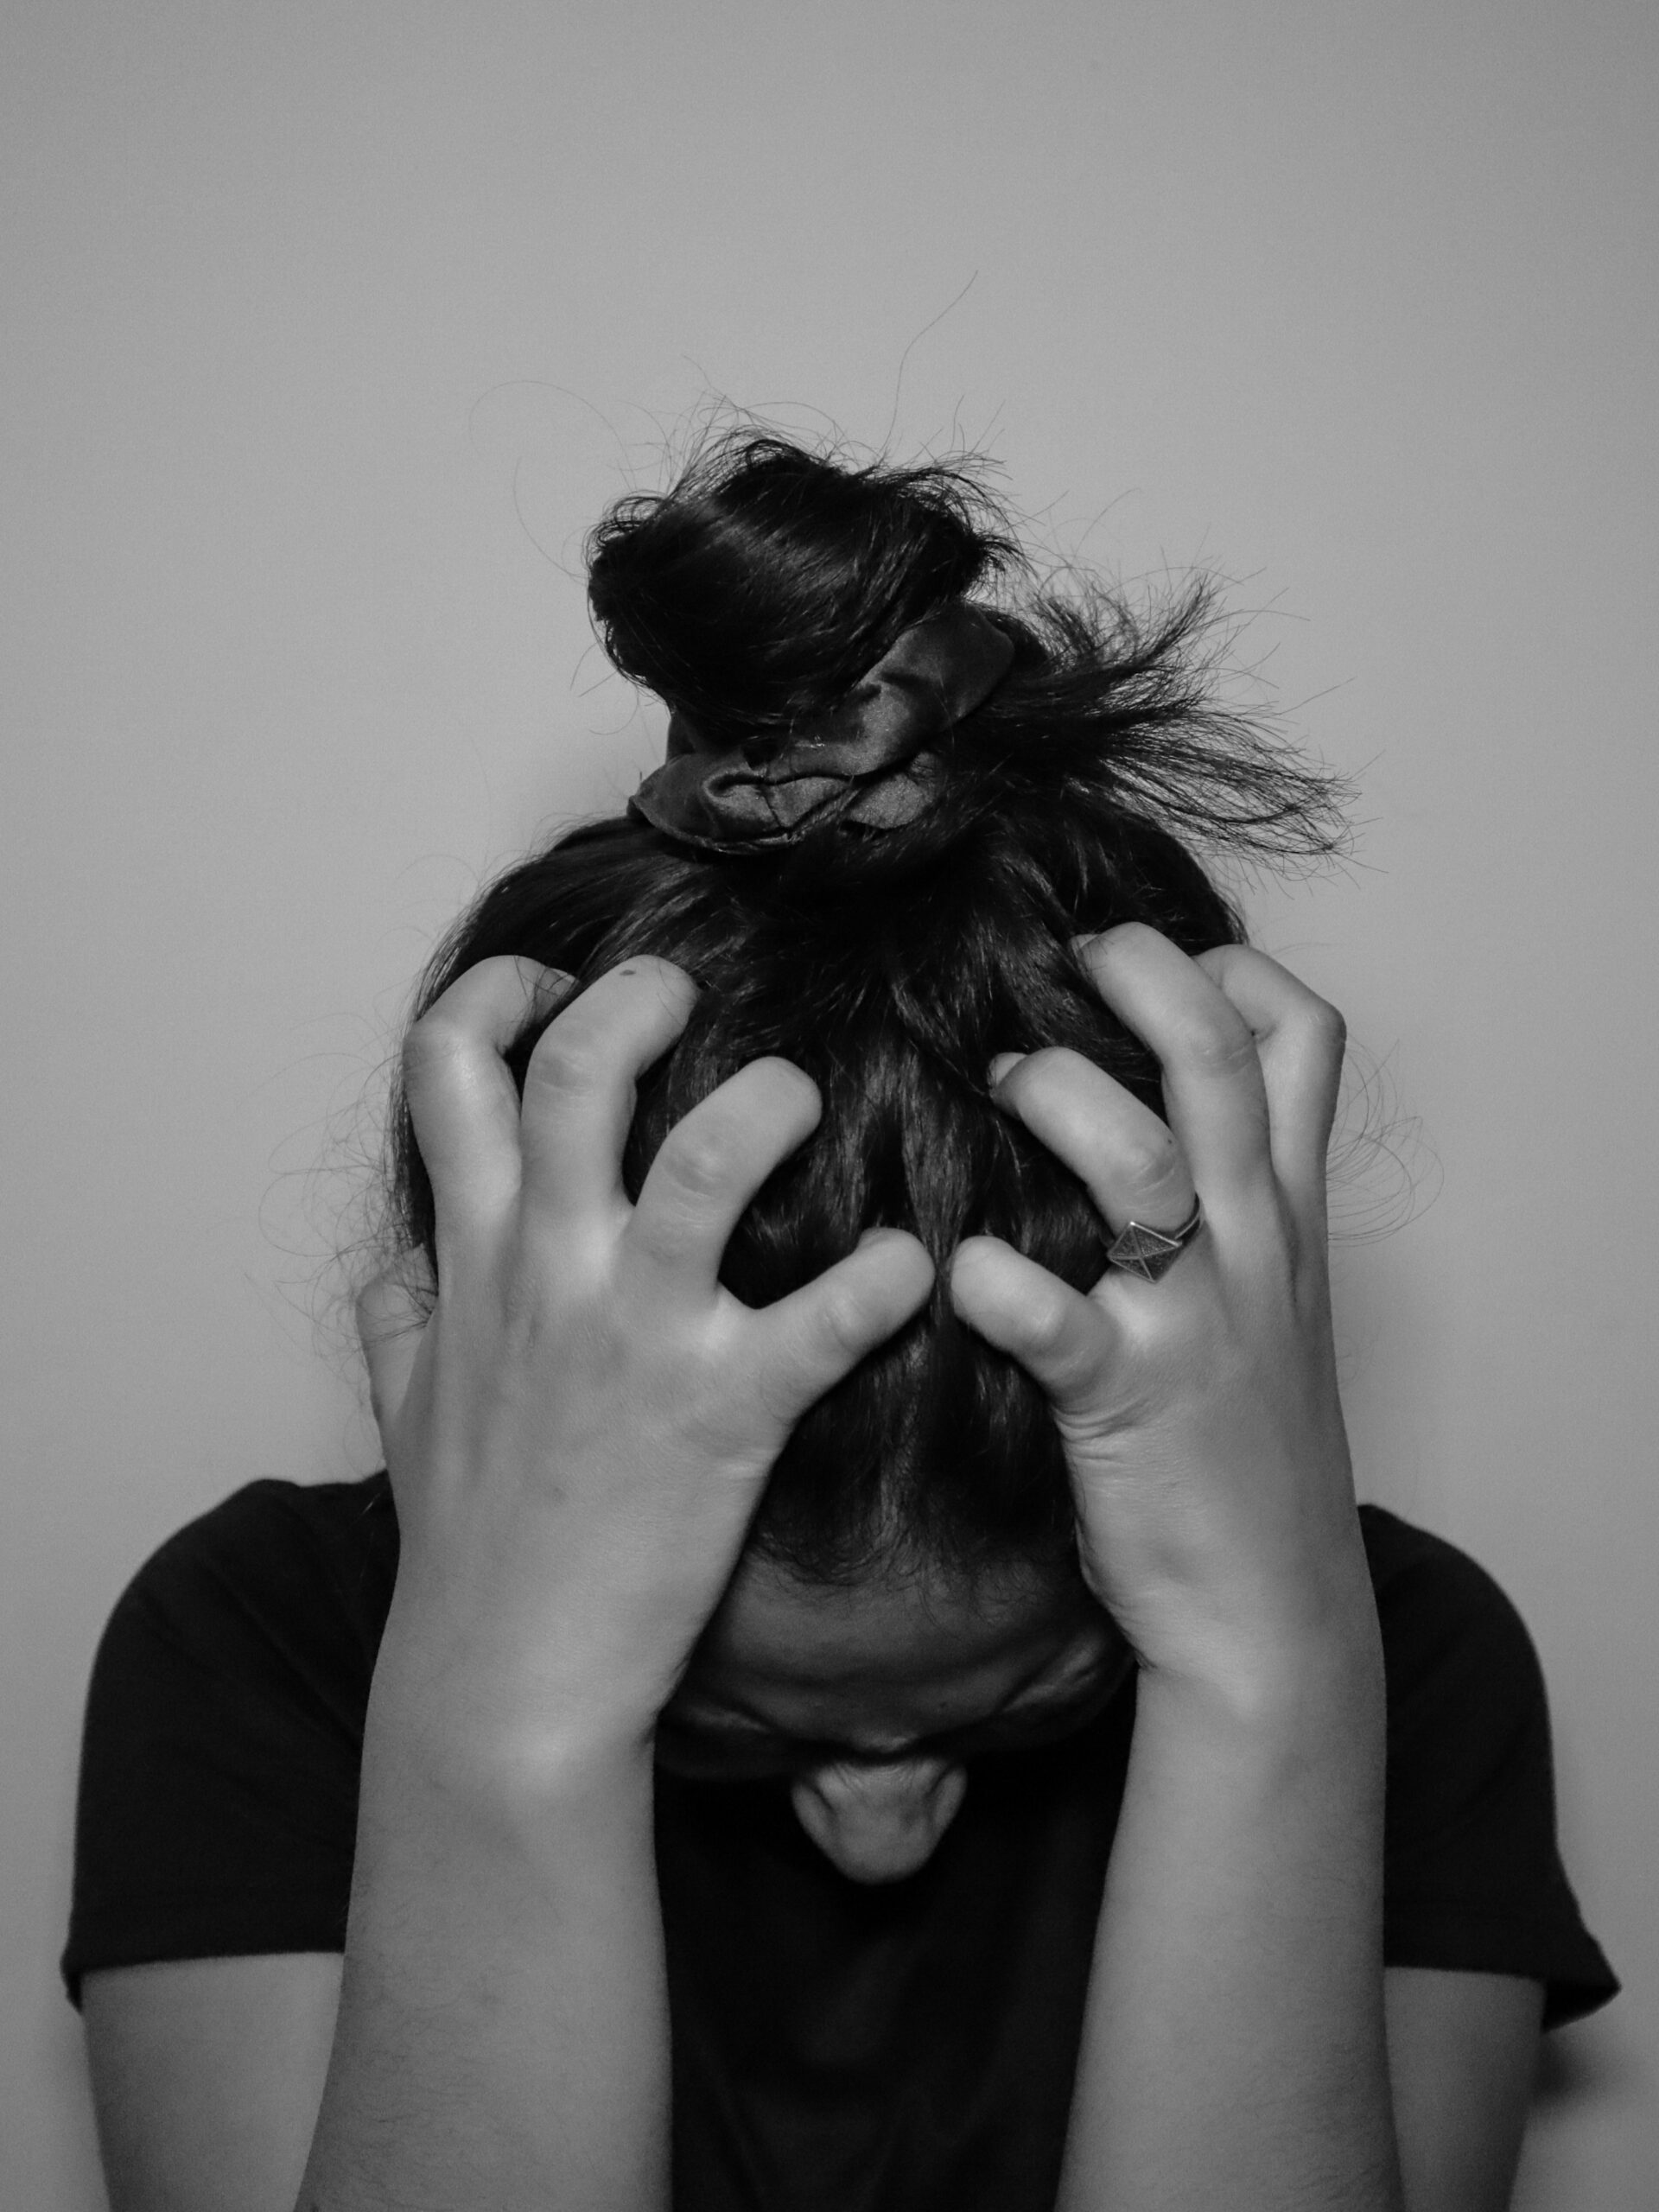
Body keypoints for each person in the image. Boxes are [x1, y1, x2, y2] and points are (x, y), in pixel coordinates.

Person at [65, 432, 1616, 2212]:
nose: (878, 1825)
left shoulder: (1399, 1659)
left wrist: (1273, 1684)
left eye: (1036, 1699)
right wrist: (506, 1723)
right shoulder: (259, 1644)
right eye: (725, 1723)